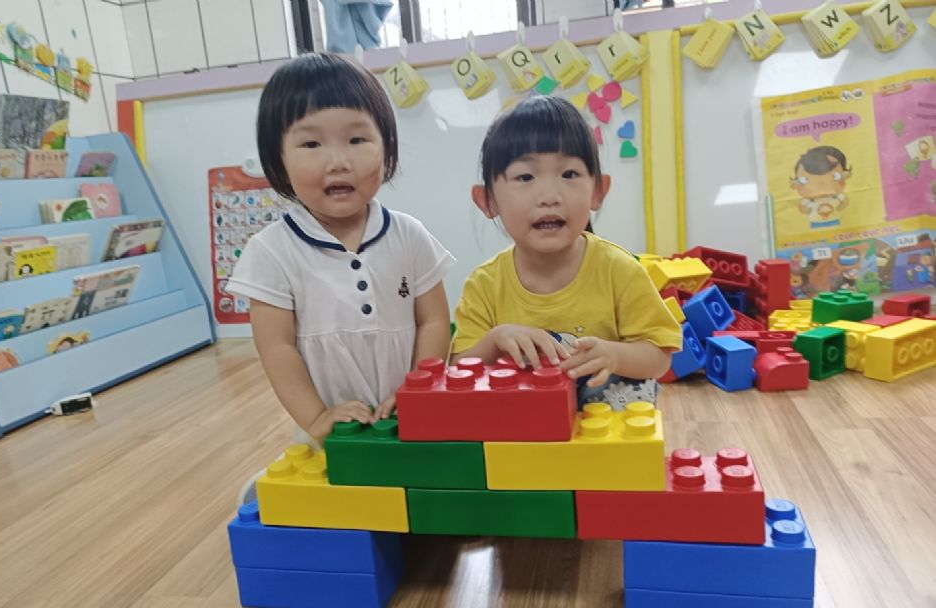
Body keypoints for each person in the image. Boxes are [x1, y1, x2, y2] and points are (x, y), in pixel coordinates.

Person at [227, 52, 454, 450]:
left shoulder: (409, 236)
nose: (338, 161)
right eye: (311, 143)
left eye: (357, 140)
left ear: (387, 147)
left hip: (410, 421)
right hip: (331, 434)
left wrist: (418, 393)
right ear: (278, 157)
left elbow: (434, 321)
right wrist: (317, 418)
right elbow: (276, 348)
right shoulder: (271, 252)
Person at [451, 96, 681, 409]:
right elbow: (459, 368)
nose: (549, 196)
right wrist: (495, 339)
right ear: (488, 201)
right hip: (523, 423)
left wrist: (614, 355)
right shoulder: (484, 285)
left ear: (598, 191)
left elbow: (659, 357)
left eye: (569, 174)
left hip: (603, 425)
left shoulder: (619, 269)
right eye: (525, 177)